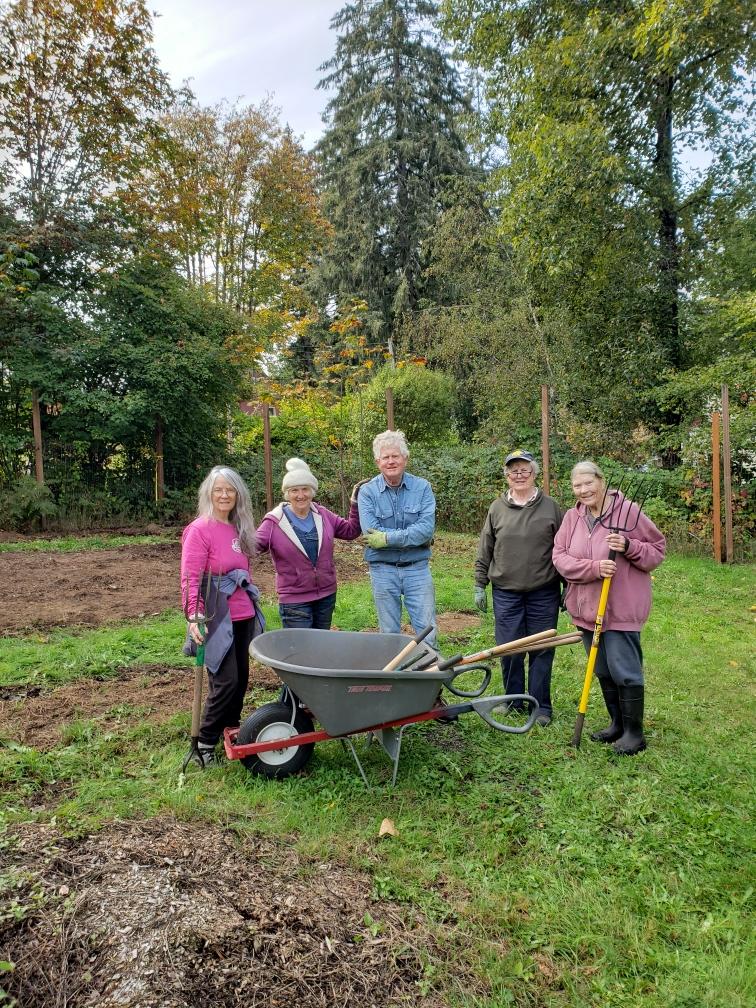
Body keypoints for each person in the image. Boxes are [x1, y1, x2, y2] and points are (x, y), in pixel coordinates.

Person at [552, 460, 666, 755]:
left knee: (624, 670)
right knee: (602, 669)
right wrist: (593, 568)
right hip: (586, 608)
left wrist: (629, 546)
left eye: (588, 483)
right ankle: (617, 724)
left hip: (621, 607)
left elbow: (657, 551)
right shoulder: (571, 517)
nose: (583, 490)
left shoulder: (629, 512)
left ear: (601, 481)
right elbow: (559, 557)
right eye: (577, 485)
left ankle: (634, 733)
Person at [180, 465, 263, 767]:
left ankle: (231, 731)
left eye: (230, 489)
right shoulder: (199, 529)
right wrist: (194, 615)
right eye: (219, 490)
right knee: (225, 680)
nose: (225, 494)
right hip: (216, 614)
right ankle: (205, 743)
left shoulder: (239, 527)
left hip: (243, 613)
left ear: (238, 494)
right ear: (209, 494)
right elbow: (190, 576)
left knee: (240, 680)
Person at [474, 449, 564, 727]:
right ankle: (513, 699)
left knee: (541, 648)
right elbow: (485, 547)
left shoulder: (551, 507)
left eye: (524, 469)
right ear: (506, 476)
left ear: (534, 473)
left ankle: (540, 706)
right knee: (509, 648)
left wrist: (568, 586)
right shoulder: (496, 508)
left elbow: (563, 549)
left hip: (543, 591)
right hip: (506, 592)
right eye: (513, 470)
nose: (519, 474)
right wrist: (480, 583)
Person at [255, 457, 365, 629]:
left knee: (320, 648)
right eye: (294, 490)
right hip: (294, 601)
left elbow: (350, 531)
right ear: (287, 494)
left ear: (312, 490)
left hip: (326, 596)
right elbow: (249, 548)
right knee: (300, 652)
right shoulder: (274, 522)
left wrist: (355, 503)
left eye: (305, 489)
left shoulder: (323, 515)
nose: (300, 495)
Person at [358, 429, 438, 647]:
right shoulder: (367, 492)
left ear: (405, 458)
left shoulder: (422, 488)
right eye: (386, 457)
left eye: (395, 456)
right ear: (377, 461)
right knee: (389, 633)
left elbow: (425, 530)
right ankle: (394, 679)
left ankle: (428, 677)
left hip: (417, 569)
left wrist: (387, 539)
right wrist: (405, 537)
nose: (391, 461)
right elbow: (370, 532)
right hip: (382, 570)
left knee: (427, 630)